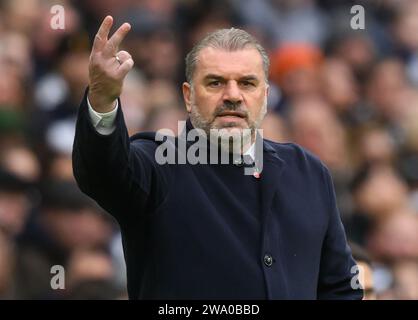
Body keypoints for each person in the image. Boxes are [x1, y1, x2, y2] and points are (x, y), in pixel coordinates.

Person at [72, 16, 363, 300]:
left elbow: (339, 286)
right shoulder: (160, 163)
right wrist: (102, 98)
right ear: (188, 96)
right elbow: (104, 172)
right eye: (215, 83)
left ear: (265, 94)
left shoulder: (308, 171)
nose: (232, 95)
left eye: (247, 83)